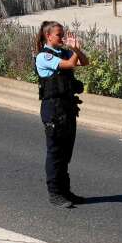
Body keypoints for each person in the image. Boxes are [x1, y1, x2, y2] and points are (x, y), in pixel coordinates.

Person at [35, 20, 90, 208]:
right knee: (55, 152)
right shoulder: (44, 56)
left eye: (63, 34)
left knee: (66, 153)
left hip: (67, 107)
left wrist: (78, 50)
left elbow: (85, 62)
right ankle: (55, 193)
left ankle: (65, 191)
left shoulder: (64, 52)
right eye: (59, 35)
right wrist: (74, 51)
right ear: (48, 36)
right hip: (53, 108)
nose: (63, 37)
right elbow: (67, 65)